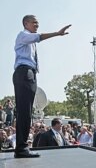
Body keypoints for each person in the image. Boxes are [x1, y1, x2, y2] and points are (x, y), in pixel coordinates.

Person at [13, 15, 71, 158]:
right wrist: (57, 33)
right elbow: (38, 37)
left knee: (26, 112)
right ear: (26, 23)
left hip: (29, 73)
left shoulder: (30, 41)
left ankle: (22, 147)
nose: (37, 25)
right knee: (24, 112)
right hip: (24, 73)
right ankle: (21, 148)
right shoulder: (23, 35)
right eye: (34, 22)